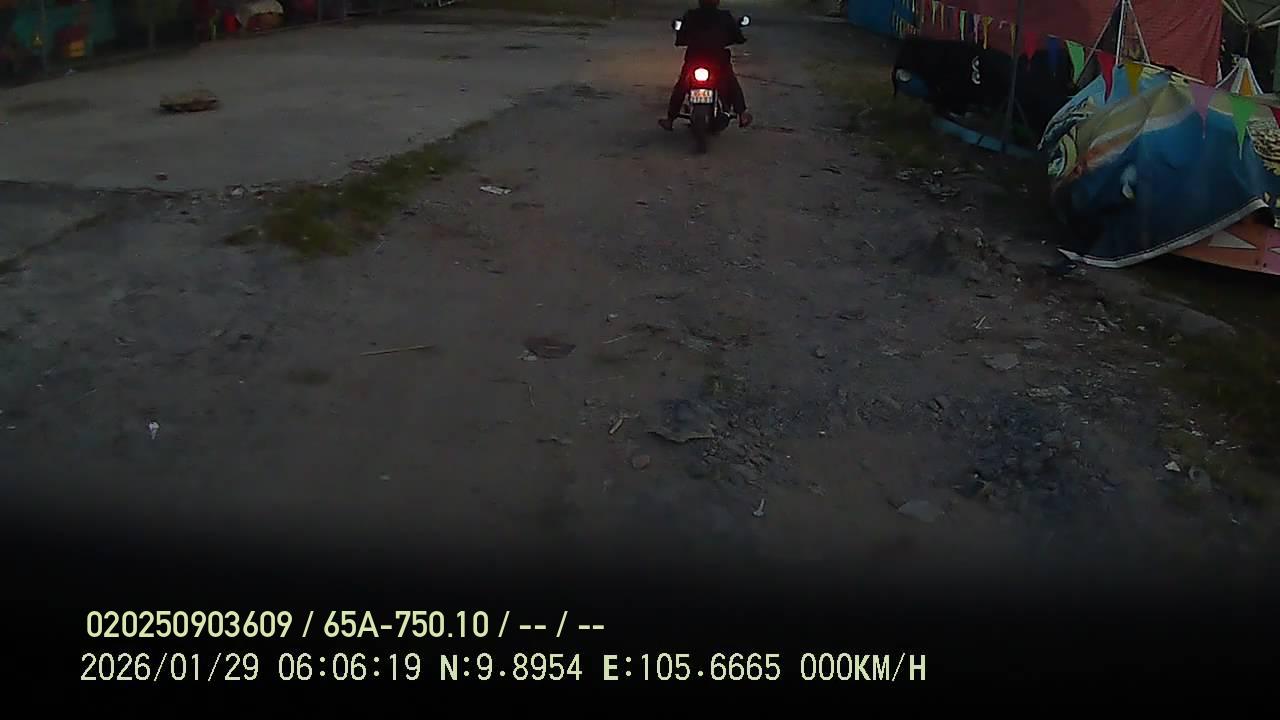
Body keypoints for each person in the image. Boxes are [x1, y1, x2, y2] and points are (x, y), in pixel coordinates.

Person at [659, 0, 753, 131]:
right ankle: (742, 113)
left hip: (695, 59)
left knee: (682, 85)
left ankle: (670, 119)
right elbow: (737, 36)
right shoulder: (724, 16)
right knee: (730, 81)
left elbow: (681, 37)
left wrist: (682, 39)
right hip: (718, 60)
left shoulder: (691, 15)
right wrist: (737, 38)